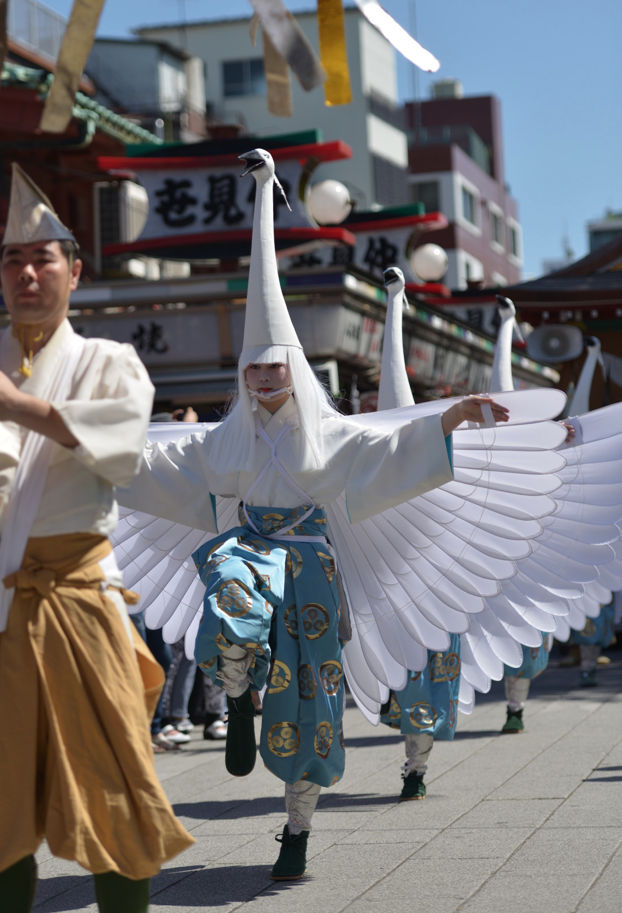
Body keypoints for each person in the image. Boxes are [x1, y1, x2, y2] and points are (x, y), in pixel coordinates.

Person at [124, 149, 508, 880]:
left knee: (312, 699)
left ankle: (297, 820)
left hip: (311, 569)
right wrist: (88, 448)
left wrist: (453, 416)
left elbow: (392, 447)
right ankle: (236, 696)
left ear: (295, 371)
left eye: (276, 367)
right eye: (254, 368)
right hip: (248, 553)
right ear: (241, 374)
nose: (265, 378)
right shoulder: (221, 440)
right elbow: (153, 466)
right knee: (230, 595)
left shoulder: (332, 436)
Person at [0, 164, 192, 912]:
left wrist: (16, 404)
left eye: (43, 259)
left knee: (114, 783)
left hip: (76, 590)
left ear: (74, 269)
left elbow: (122, 448)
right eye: (12, 260)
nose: (27, 273)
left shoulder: (110, 362)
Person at [379, 635, 461, 800]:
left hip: (438, 630)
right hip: (403, 630)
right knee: (412, 698)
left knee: (426, 704)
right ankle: (416, 768)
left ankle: (416, 769)